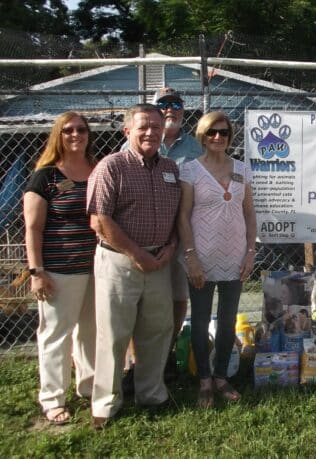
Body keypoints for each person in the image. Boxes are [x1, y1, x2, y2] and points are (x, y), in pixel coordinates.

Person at [87, 103, 180, 429]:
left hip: (159, 263)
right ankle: (106, 404)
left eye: (156, 126)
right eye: (143, 127)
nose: (151, 132)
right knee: (113, 333)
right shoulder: (111, 167)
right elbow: (100, 220)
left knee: (157, 332)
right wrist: (137, 254)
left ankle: (152, 394)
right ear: (127, 131)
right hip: (120, 262)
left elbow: (176, 217)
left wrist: (169, 248)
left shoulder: (171, 168)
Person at [121, 87, 202, 383]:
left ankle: (164, 354)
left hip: (181, 236)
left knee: (178, 298)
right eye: (163, 104)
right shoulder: (129, 148)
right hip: (142, 239)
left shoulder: (195, 148)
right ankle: (135, 362)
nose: (171, 110)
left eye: (176, 104)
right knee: (141, 303)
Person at [178, 111, 256, 408]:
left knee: (227, 321)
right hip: (201, 257)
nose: (218, 138)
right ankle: (205, 381)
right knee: (199, 321)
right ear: (202, 135)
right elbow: (183, 217)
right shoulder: (190, 171)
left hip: (235, 257)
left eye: (223, 133)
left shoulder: (241, 169)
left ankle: (222, 377)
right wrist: (191, 257)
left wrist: (250, 252)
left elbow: (249, 213)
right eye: (212, 132)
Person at [23, 112, 97, 425]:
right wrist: (36, 272)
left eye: (81, 129)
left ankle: (89, 385)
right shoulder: (45, 176)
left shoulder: (96, 169)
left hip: (96, 268)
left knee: (91, 332)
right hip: (59, 271)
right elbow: (33, 228)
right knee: (56, 335)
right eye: (68, 130)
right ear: (59, 135)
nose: (76, 135)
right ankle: (52, 398)